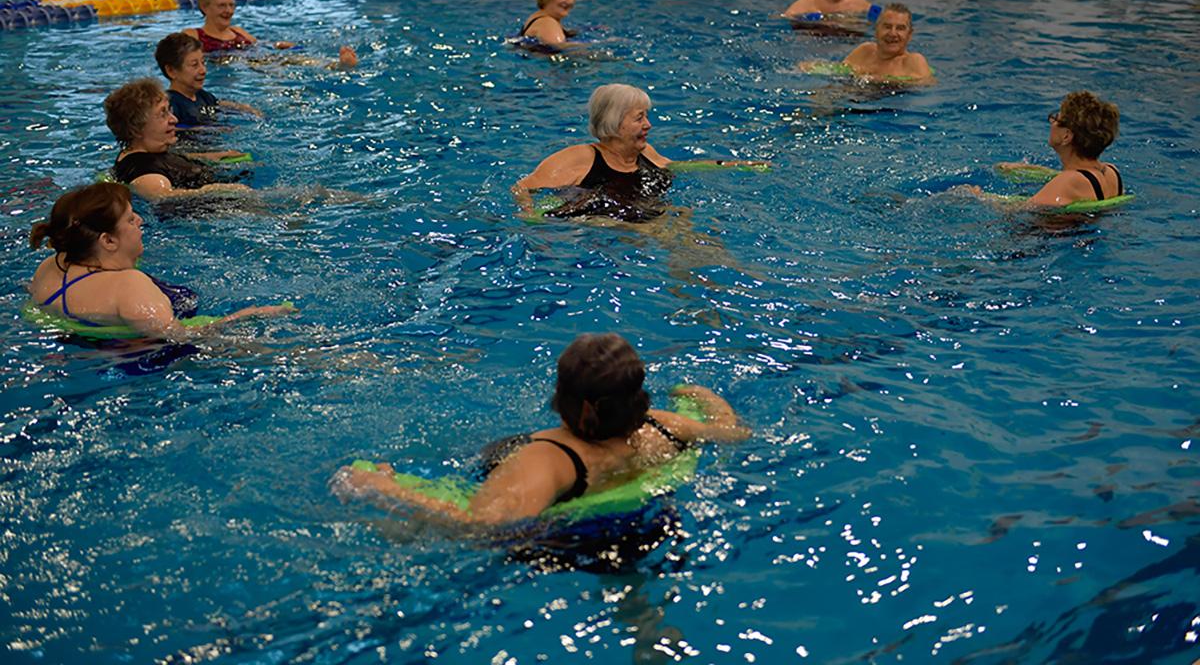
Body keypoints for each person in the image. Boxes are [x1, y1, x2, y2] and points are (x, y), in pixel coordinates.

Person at [334, 332, 749, 525]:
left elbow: (484, 527)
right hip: (647, 529)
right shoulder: (664, 427)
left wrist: (381, 487)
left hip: (564, 547)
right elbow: (732, 433)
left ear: (577, 402)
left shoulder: (546, 459)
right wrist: (709, 400)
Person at [28, 182, 291, 338]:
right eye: (131, 219)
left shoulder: (50, 266)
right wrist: (246, 317)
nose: (140, 221)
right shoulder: (129, 285)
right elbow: (176, 337)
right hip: (146, 363)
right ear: (108, 241)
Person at [512, 84, 768, 222]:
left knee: (692, 224)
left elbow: (678, 166)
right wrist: (533, 219)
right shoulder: (580, 157)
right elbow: (522, 187)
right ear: (614, 123)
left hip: (648, 220)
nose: (648, 125)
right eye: (639, 118)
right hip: (605, 229)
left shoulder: (645, 153)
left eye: (647, 116)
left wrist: (737, 165)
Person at [105, 78, 251, 201]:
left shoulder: (149, 152)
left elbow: (166, 162)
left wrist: (209, 157)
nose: (173, 119)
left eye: (169, 110)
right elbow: (163, 196)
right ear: (136, 128)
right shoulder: (141, 170)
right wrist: (218, 189)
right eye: (162, 114)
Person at [182, 0, 357, 68]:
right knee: (272, 68)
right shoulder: (193, 35)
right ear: (205, 7)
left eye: (231, 5)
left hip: (253, 60)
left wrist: (281, 45)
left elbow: (262, 45)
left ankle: (335, 65)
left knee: (285, 60)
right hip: (238, 65)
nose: (229, 10)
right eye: (222, 6)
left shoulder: (237, 31)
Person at [996, 91, 1124, 207]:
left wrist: (978, 196)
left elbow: (1020, 209)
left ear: (1066, 136)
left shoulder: (1067, 182)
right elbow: (1080, 180)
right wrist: (1035, 171)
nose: (1051, 121)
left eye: (1056, 118)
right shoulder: (1112, 172)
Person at [155, 32, 260, 127]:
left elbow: (218, 104)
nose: (203, 70)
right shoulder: (171, 104)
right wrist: (204, 130)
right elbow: (167, 131)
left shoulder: (202, 96)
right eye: (194, 65)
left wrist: (245, 108)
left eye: (203, 62)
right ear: (171, 71)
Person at [842, 3, 933, 82]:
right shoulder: (865, 51)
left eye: (900, 28)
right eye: (887, 27)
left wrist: (880, 80)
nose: (893, 33)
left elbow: (926, 83)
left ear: (909, 35)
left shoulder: (913, 61)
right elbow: (838, 71)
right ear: (876, 31)